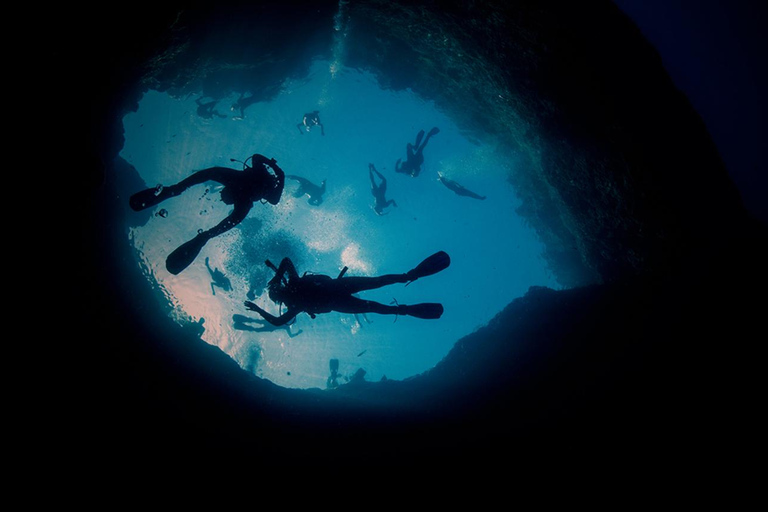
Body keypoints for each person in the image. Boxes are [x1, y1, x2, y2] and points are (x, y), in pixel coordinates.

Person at [129, 154, 285, 274]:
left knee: (209, 178)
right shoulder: (243, 197)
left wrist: (275, 168)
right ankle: (202, 233)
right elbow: (274, 196)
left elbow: (257, 159)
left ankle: (175, 191)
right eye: (224, 196)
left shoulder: (238, 185)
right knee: (221, 224)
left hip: (248, 183)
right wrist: (277, 170)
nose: (222, 198)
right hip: (251, 185)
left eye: (223, 197)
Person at [244, 251, 451, 326]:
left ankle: (408, 284)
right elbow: (278, 321)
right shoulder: (295, 299)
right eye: (278, 291)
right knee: (375, 294)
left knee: (376, 288)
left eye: (278, 288)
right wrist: (258, 308)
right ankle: (405, 297)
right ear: (280, 295)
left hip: (338, 293)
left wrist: (278, 277)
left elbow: (287, 261)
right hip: (338, 295)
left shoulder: (295, 290)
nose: (280, 290)